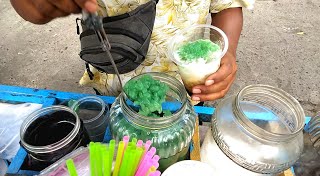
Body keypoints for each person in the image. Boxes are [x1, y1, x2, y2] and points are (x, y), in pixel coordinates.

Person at [10, 0, 254, 103]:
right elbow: (28, 8)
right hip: (113, 79)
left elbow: (228, 6)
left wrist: (227, 53)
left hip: (189, 83)